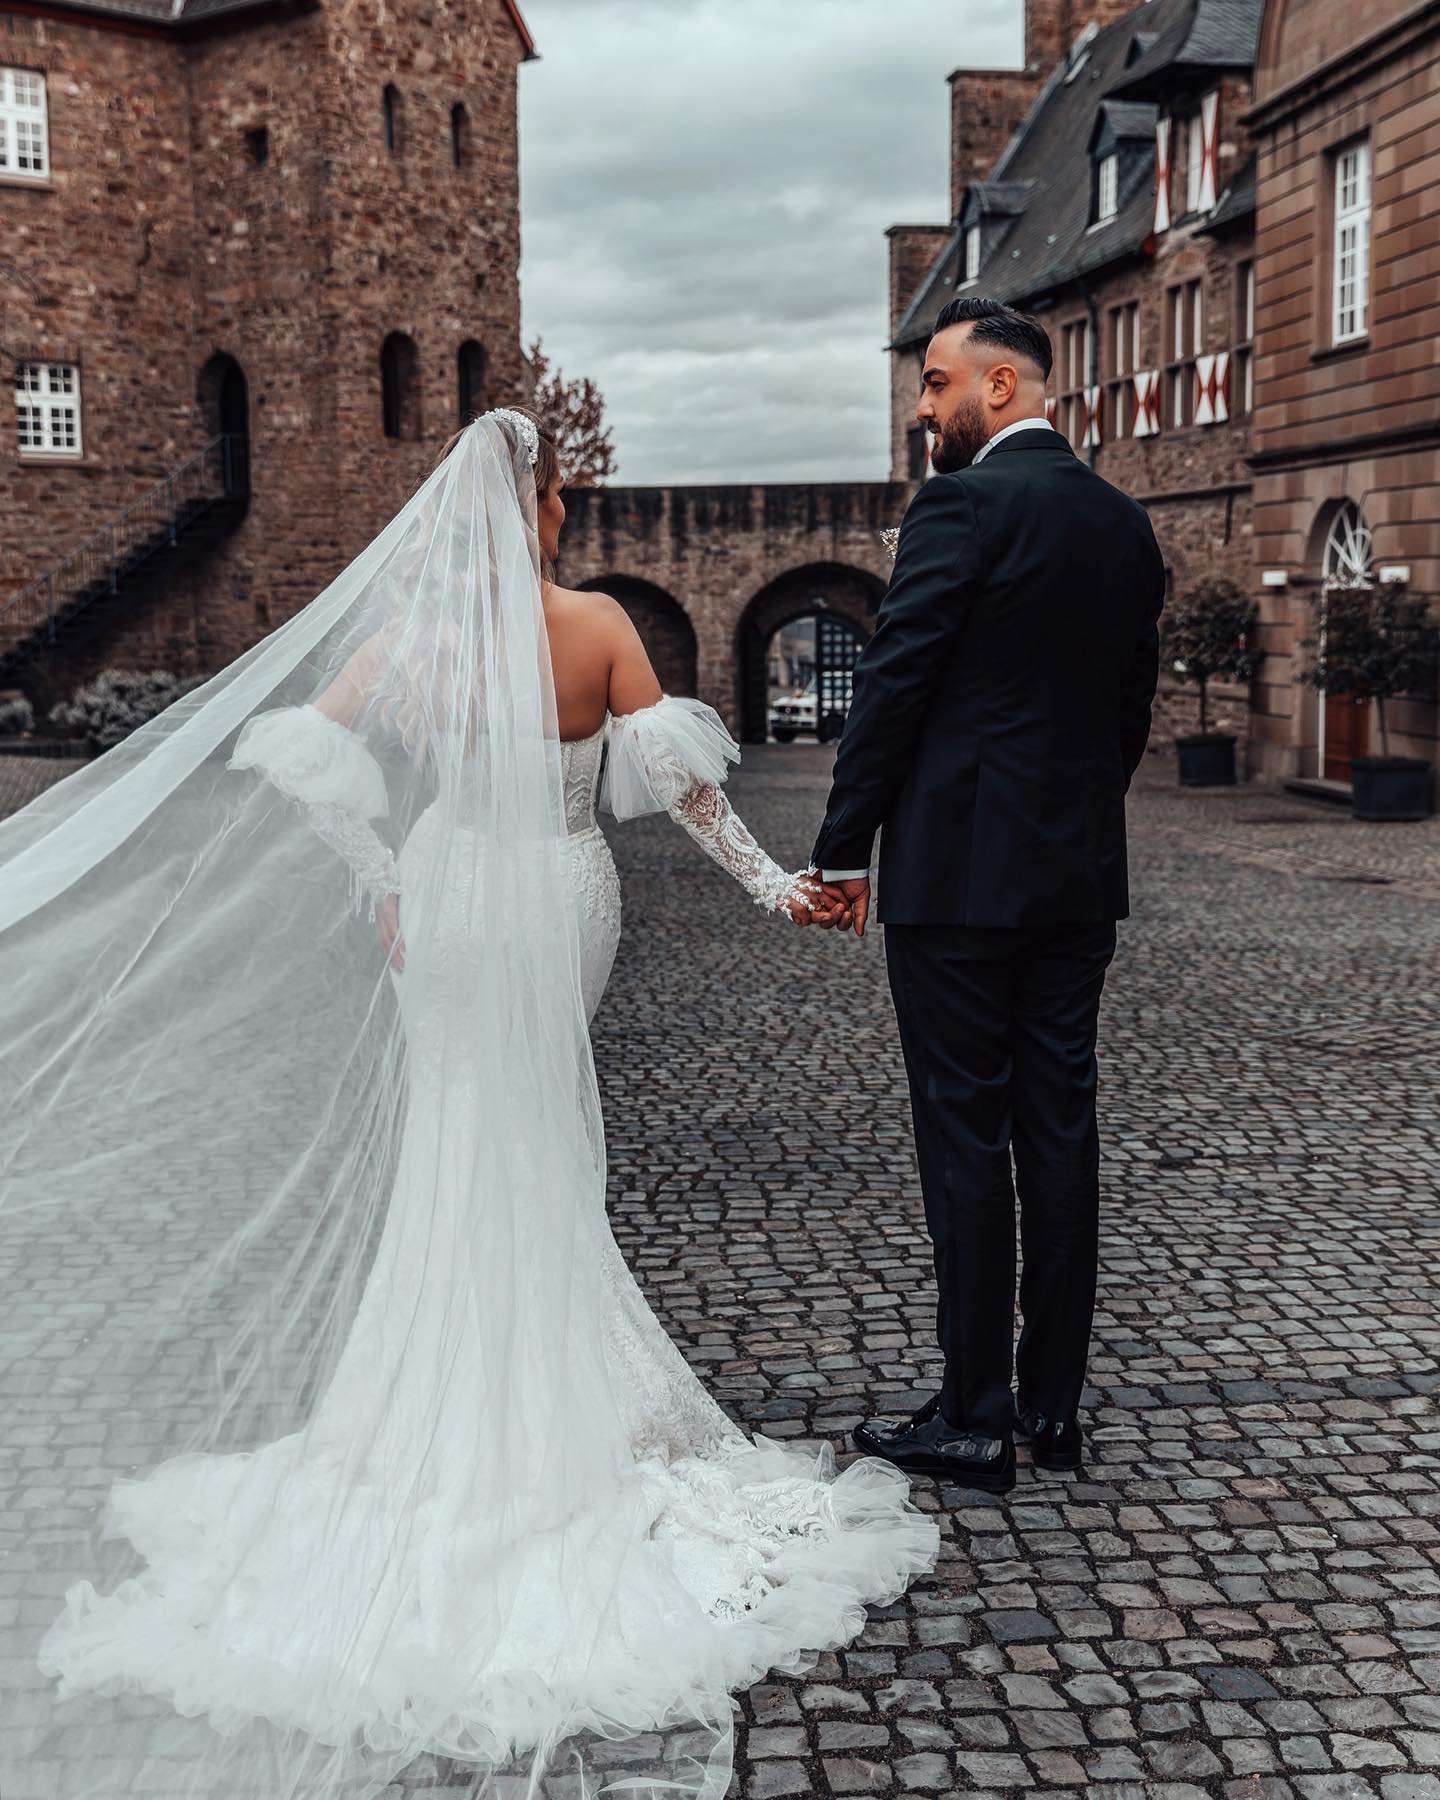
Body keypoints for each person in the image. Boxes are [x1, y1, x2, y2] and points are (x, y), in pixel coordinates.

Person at [1, 408, 937, 1800]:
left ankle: (425, 1409)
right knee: (537, 1135)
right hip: (556, 895)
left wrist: (383, 874)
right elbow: (684, 791)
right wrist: (780, 888)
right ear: (544, 507)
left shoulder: (418, 645)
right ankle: (552, 1400)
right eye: (557, 495)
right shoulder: (595, 623)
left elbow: (303, 756)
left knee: (460, 1136)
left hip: (442, 893)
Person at [809, 298, 1165, 1495]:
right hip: (1074, 880)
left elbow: (895, 686)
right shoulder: (1123, 523)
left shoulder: (958, 507)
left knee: (967, 1135)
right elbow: (1126, 715)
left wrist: (843, 850)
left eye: (936, 384)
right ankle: (1052, 1409)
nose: (923, 408)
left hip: (958, 884)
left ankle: (973, 1415)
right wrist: (1068, 824)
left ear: (1001, 389)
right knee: (1059, 1127)